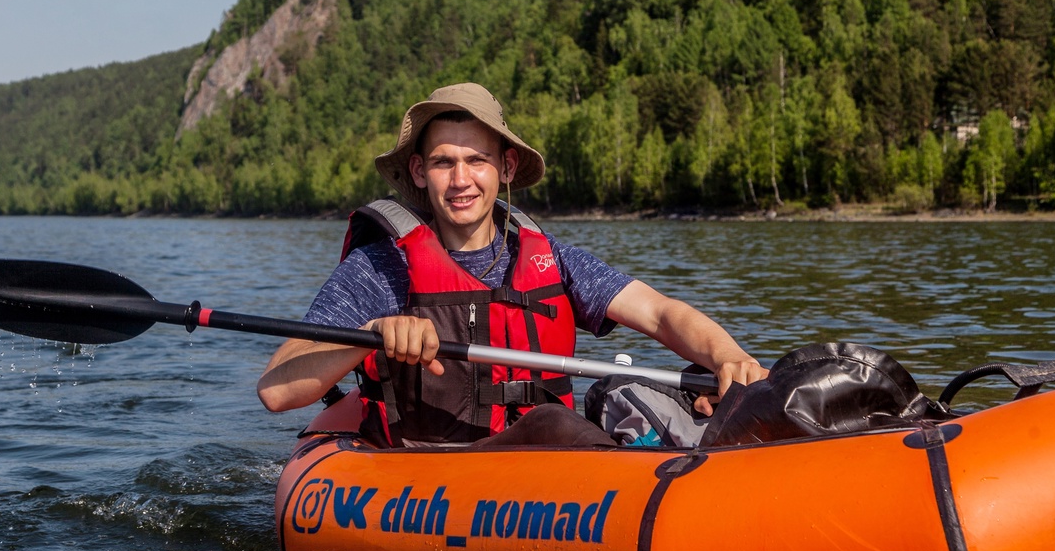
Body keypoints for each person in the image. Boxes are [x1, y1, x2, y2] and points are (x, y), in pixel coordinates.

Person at [258, 82, 768, 446]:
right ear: (418, 172)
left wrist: (726, 355)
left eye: (476, 160)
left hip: (543, 471)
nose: (461, 180)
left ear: (504, 167)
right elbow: (278, 391)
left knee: (633, 394)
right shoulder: (380, 268)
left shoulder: (552, 259)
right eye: (443, 162)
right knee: (555, 428)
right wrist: (371, 330)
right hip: (429, 476)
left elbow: (659, 313)